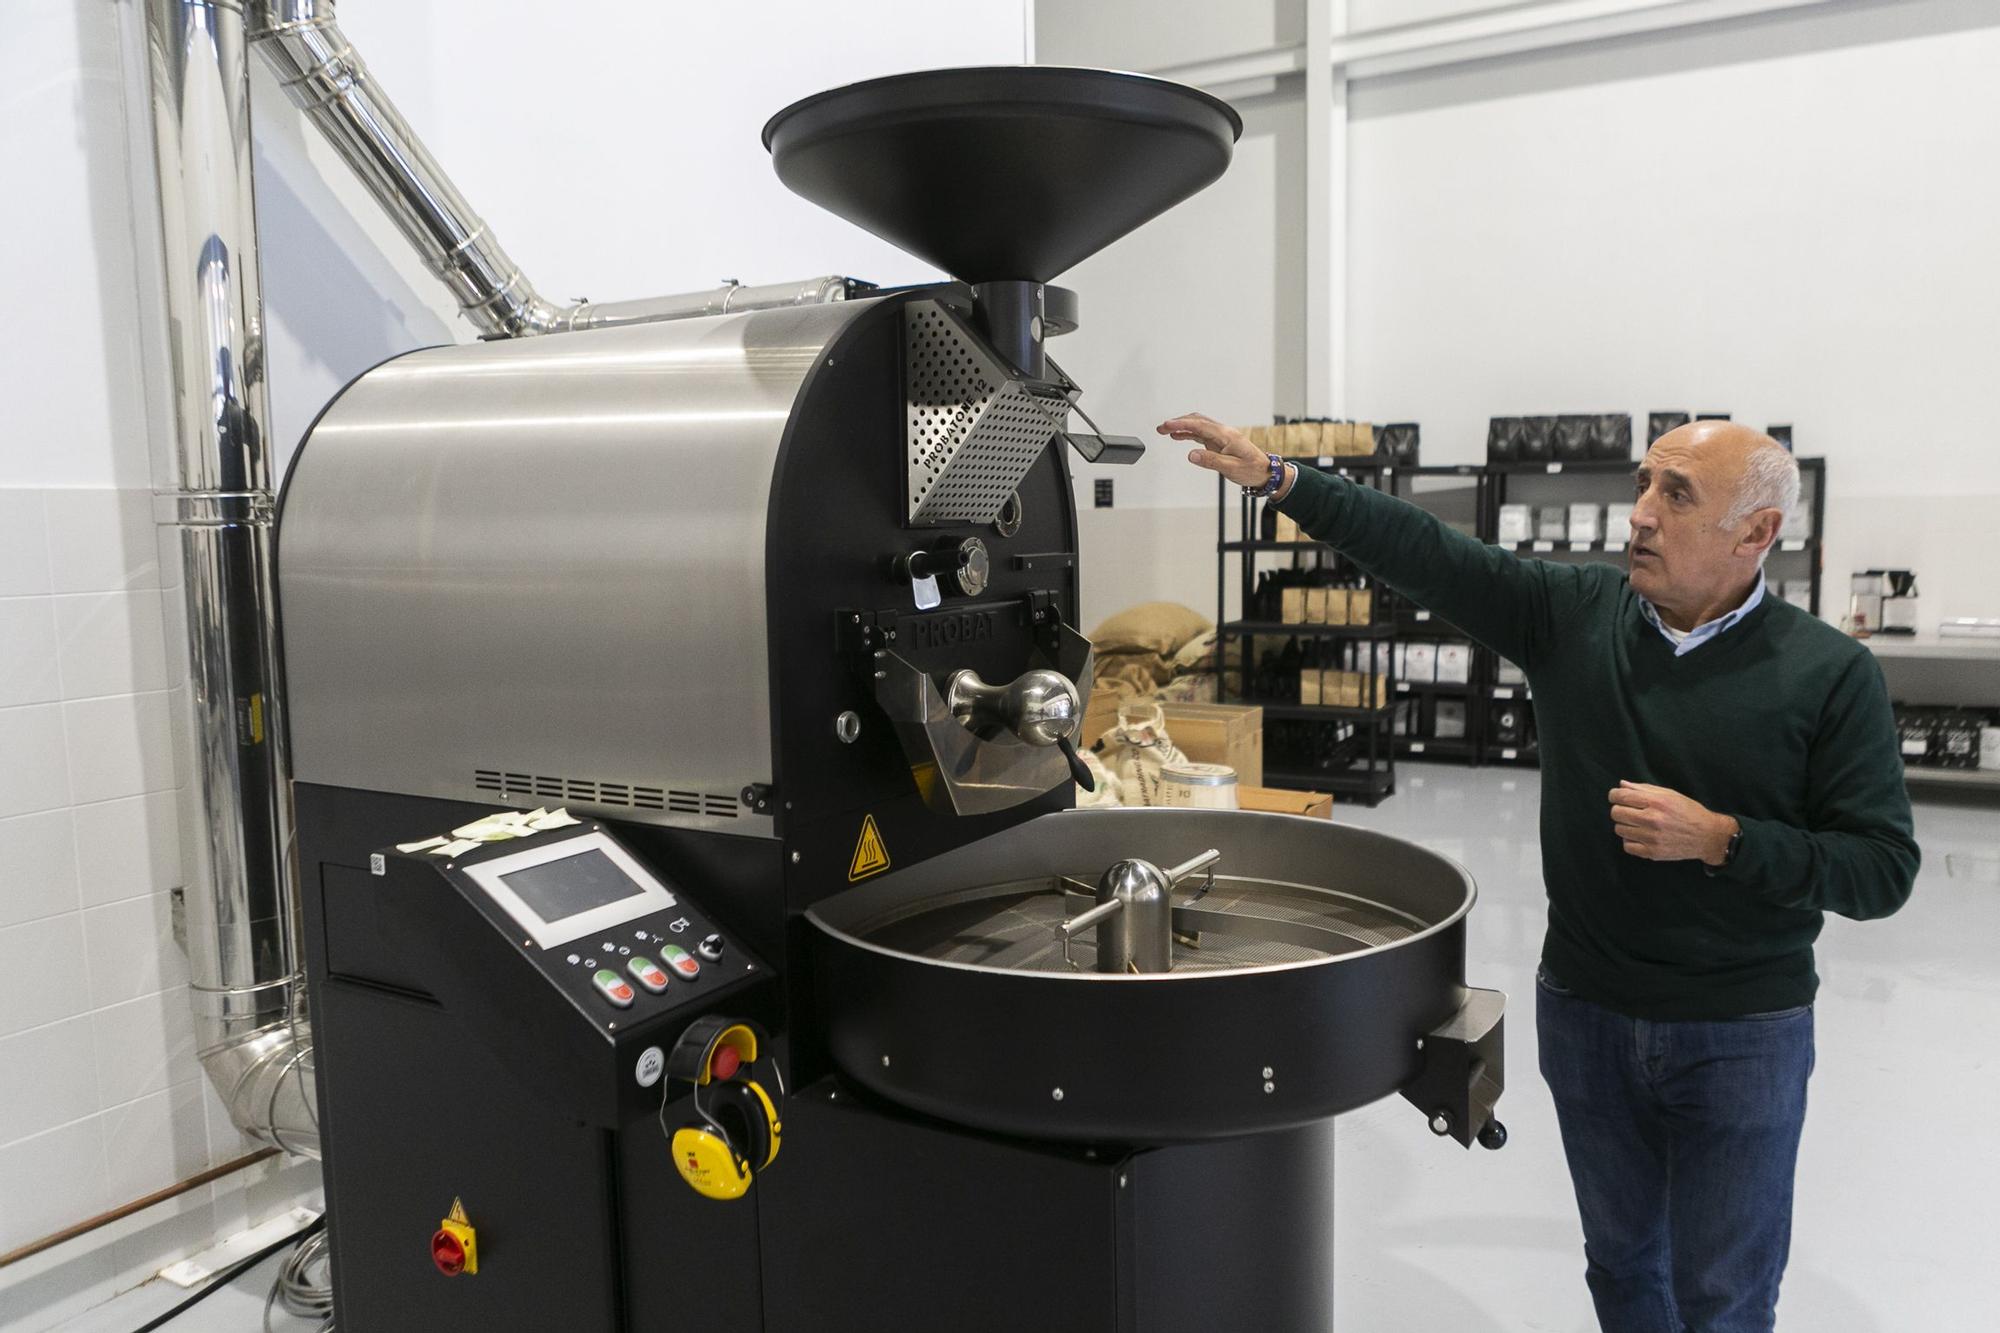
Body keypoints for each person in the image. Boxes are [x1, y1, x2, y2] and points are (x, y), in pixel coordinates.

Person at [1161, 413, 1917, 1333]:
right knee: (1624, 1267)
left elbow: (1881, 869)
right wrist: (1283, 479)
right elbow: (1429, 552)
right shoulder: (1574, 617)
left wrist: (1725, 838)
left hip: (1742, 1034)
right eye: (1644, 483)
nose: (1639, 514)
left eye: (1676, 495)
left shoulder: (1829, 675)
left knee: (1724, 1291)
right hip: (1588, 1013)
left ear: (1756, 532)